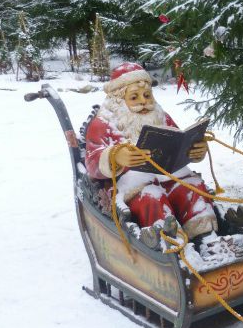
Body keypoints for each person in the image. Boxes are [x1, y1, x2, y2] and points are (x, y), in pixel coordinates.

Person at [84, 62, 220, 247]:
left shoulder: (161, 117)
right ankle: (168, 245)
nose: (143, 101)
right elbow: (92, 162)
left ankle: (207, 239)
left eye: (147, 95)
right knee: (151, 197)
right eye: (134, 97)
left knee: (192, 188)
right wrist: (115, 156)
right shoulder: (103, 124)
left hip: (170, 176)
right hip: (131, 186)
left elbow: (178, 141)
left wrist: (194, 150)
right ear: (118, 100)